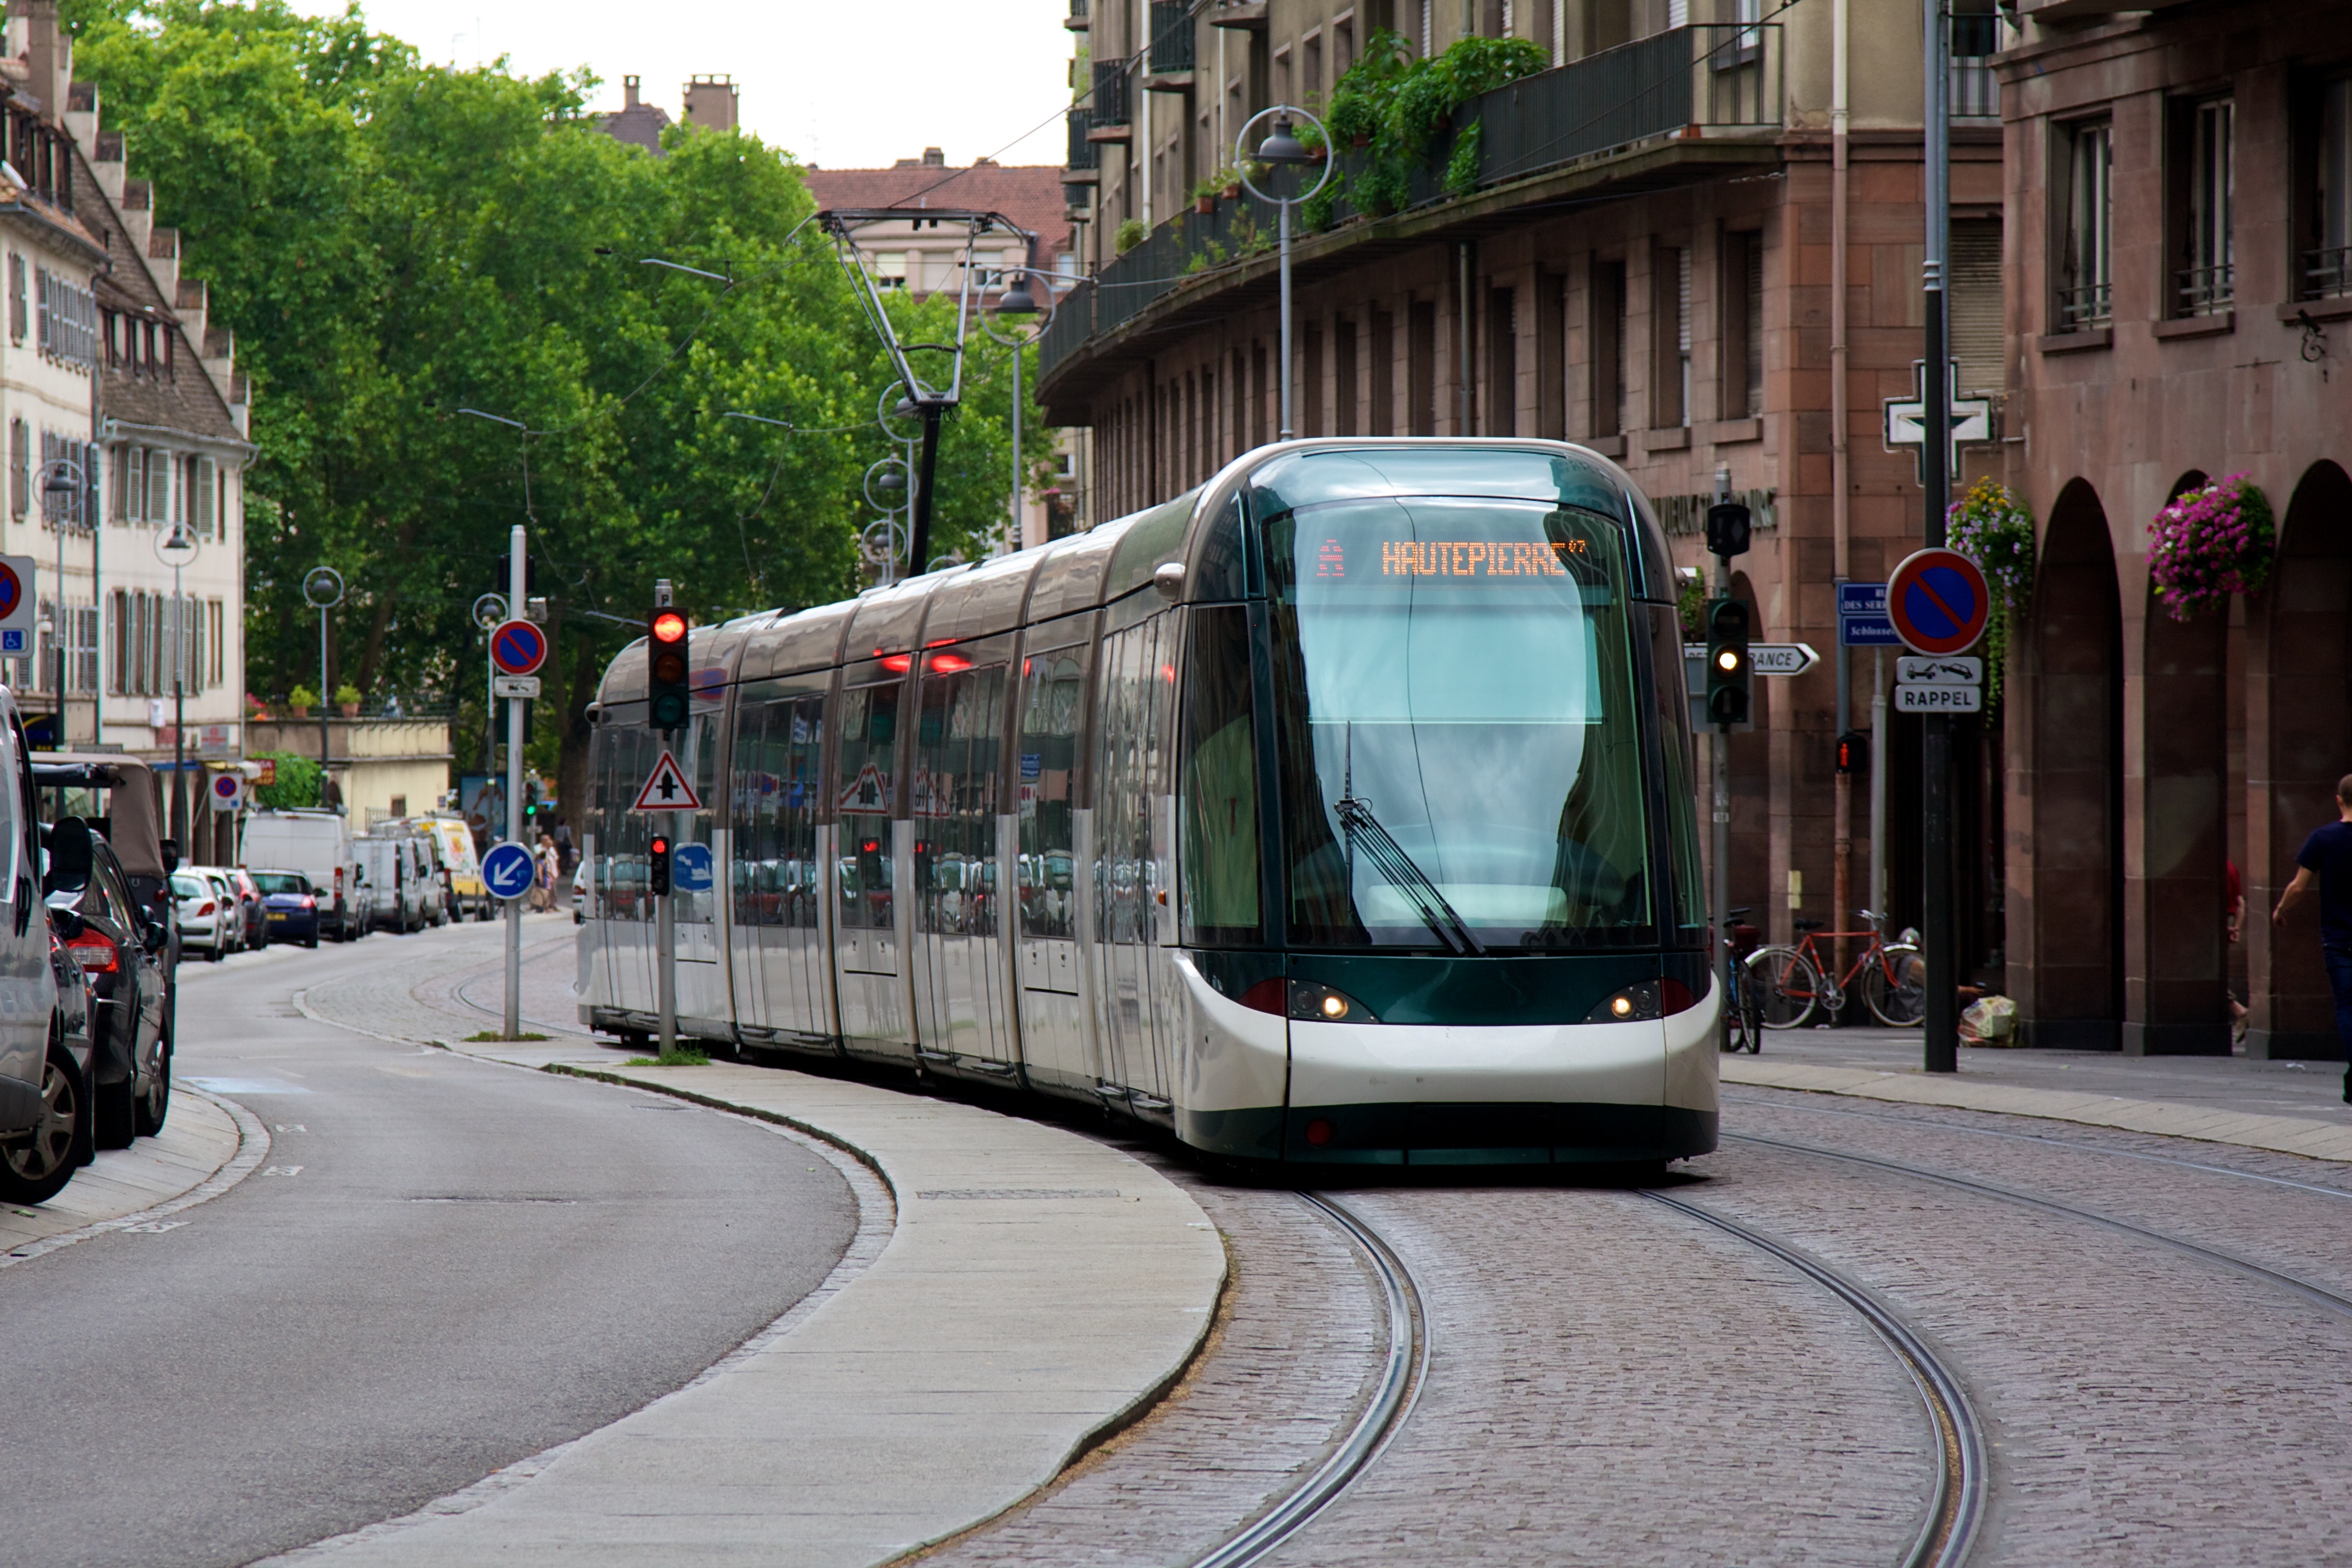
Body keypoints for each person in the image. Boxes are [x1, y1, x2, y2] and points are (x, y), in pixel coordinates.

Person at [2271, 773, 2352, 1103]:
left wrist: (2280, 909)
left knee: (2348, 1005)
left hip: (2339, 938)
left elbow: (2298, 886)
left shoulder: (2323, 838)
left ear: (2339, 800)